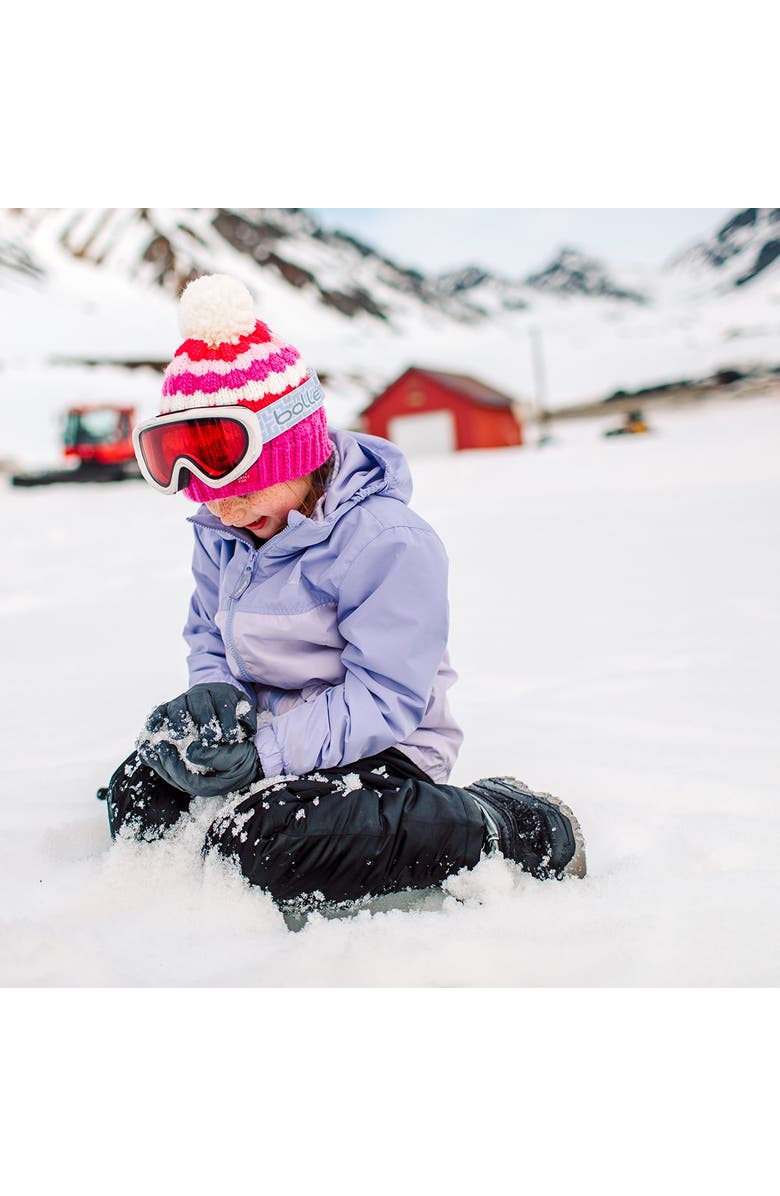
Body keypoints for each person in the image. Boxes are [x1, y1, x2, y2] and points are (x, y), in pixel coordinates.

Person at [101, 274, 585, 907]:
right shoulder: (225, 528)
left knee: (270, 846)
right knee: (141, 790)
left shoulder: (386, 543)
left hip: (381, 750)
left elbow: (385, 697)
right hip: (268, 740)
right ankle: (221, 836)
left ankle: (505, 823)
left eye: (243, 491)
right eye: (207, 498)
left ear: (295, 455)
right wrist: (211, 700)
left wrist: (265, 756)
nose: (223, 514)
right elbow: (207, 633)